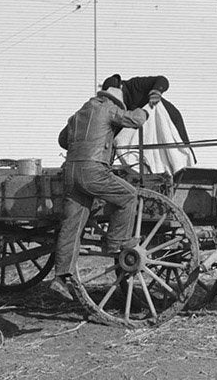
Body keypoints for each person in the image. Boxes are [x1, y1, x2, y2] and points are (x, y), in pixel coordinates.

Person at [51, 77, 157, 299]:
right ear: (114, 98)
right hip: (93, 170)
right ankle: (116, 242)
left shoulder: (77, 114)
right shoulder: (109, 109)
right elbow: (136, 120)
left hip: (71, 173)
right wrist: (149, 106)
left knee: (71, 226)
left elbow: (62, 140)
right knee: (128, 195)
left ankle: (60, 277)